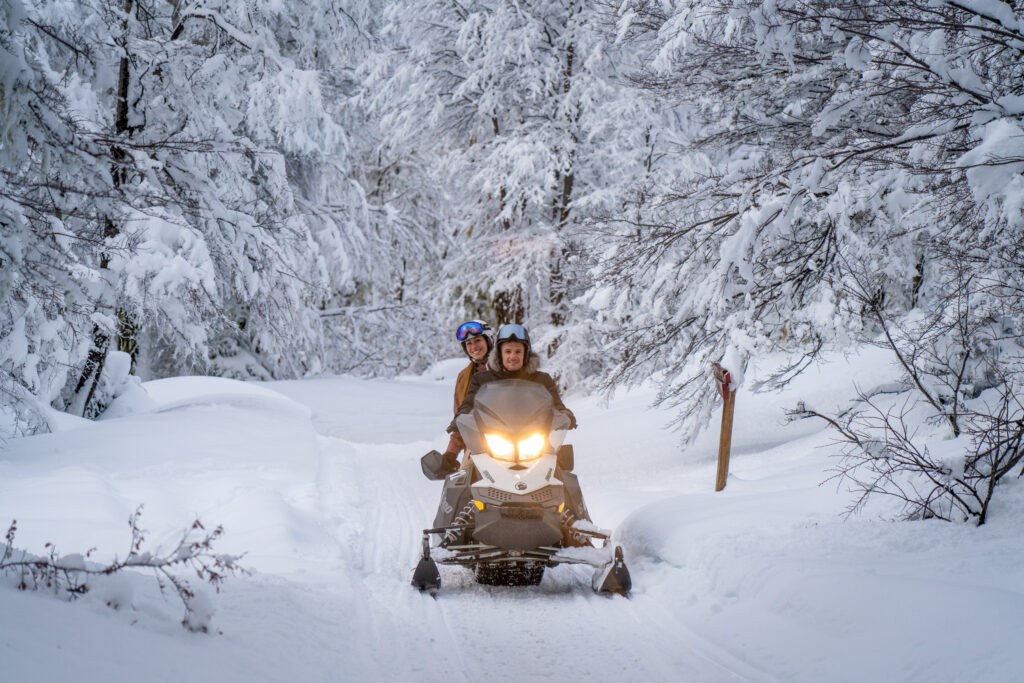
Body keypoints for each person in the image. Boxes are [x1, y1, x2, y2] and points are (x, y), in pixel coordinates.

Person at [447, 323, 576, 449]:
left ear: (526, 353)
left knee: (559, 464)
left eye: (518, 351)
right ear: (500, 354)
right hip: (492, 443)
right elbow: (468, 403)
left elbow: (557, 405)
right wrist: (460, 418)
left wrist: (565, 414)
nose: (513, 356)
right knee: (470, 466)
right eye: (508, 351)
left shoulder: (542, 379)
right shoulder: (482, 379)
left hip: (534, 442)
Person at [438, 320, 493, 473]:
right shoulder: (464, 378)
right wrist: (451, 453)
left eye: (477, 340)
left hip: (516, 438)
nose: (474, 347)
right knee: (464, 481)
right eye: (468, 343)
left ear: (489, 340)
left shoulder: (507, 368)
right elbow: (461, 418)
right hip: (478, 444)